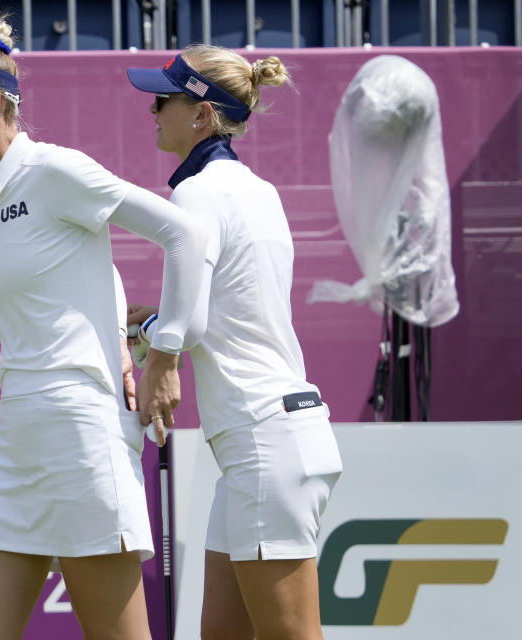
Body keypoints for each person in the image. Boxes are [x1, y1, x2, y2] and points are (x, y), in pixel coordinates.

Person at [0, 13, 208, 640]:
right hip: (18, 446)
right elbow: (84, 264)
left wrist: (166, 353)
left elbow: (185, 233)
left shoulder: (54, 170)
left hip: (82, 440)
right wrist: (118, 327)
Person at [126, 46, 344, 640]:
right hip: (276, 437)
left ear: (201, 116)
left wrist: (152, 341)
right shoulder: (259, 191)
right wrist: (155, 326)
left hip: (262, 442)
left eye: (164, 99)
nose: (153, 110)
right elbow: (220, 310)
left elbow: (190, 326)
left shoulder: (195, 195)